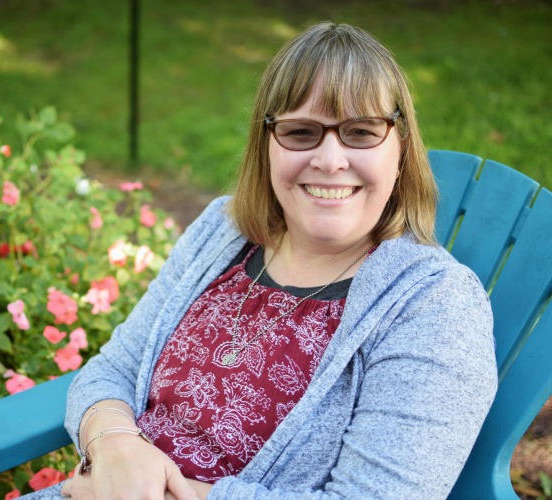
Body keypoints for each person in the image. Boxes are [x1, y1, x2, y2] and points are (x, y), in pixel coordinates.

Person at [26, 21, 497, 499]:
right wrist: (114, 444)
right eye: (300, 132)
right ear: (266, 145)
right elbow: (115, 369)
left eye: (361, 132)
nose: (331, 160)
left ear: (400, 149)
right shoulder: (223, 231)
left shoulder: (435, 305)